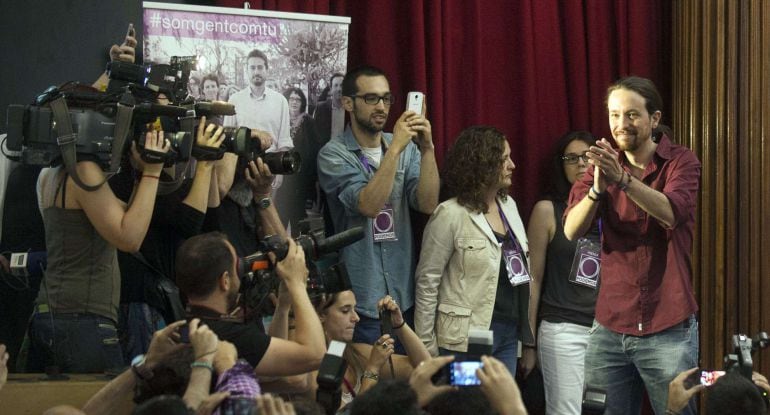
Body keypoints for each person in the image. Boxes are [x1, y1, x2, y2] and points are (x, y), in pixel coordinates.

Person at [564, 76, 702, 414]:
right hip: (610, 324)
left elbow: (670, 213)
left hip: (668, 323)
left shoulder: (681, 161)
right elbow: (570, 230)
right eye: (614, 115)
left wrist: (623, 180)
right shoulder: (601, 164)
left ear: (654, 119)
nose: (620, 124)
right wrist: (597, 188)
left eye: (631, 115)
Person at [27, 130, 170, 373]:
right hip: (82, 319)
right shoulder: (83, 172)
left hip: (51, 313)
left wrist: (140, 173)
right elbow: (130, 238)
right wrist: (153, 171)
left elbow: (129, 215)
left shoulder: (51, 173)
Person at [317, 65, 439, 346]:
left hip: (402, 297)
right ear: (348, 103)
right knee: (368, 385)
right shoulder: (333, 154)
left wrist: (427, 148)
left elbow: (428, 203)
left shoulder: (408, 148)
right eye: (371, 98)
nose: (382, 107)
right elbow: (368, 205)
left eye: (386, 99)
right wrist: (395, 148)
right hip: (360, 303)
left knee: (404, 386)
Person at [414, 125, 535, 377]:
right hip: (468, 337)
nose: (512, 165)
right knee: (469, 404)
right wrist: (426, 350)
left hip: (508, 333)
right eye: (504, 159)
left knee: (502, 405)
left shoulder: (509, 205)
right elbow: (427, 282)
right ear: (483, 163)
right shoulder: (449, 214)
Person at [175, 232, 326, 377]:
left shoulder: (185, 327)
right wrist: (297, 284)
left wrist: (282, 307)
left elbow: (273, 373)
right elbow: (316, 355)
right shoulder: (226, 335)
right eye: (237, 267)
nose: (242, 274)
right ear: (225, 280)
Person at [527, 130, 598, 414]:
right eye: (572, 158)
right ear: (561, 165)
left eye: (588, 157)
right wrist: (528, 343)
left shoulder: (612, 209)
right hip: (563, 328)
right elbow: (533, 278)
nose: (581, 164)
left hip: (607, 333)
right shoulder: (547, 210)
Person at [311, 291, 431, 409]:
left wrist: (399, 324)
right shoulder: (311, 370)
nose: (356, 318)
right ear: (321, 315)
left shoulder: (355, 353)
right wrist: (372, 369)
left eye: (355, 309)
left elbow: (424, 367)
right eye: (345, 311)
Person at [278, 87, 322, 233]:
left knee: (297, 216)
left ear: (302, 102)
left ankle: (300, 249)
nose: (295, 102)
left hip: (300, 178)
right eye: (292, 99)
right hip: (281, 177)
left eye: (298, 99)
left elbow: (314, 150)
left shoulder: (308, 121)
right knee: (280, 215)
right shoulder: (280, 119)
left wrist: (311, 180)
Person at [313, 73, 345, 144]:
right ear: (331, 89)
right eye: (336, 85)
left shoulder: (351, 110)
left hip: (344, 153)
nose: (339, 89)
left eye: (342, 85)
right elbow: (315, 135)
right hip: (325, 152)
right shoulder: (321, 108)